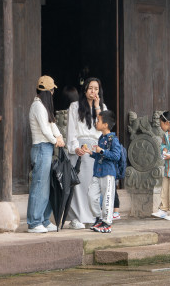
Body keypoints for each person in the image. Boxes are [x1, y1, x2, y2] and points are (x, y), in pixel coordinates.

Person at [65, 77, 107, 229]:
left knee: (93, 185)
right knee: (77, 185)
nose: (93, 91)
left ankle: (93, 216)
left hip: (95, 149)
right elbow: (71, 130)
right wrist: (75, 147)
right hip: (80, 148)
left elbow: (103, 129)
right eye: (90, 88)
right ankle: (76, 218)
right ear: (85, 89)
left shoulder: (103, 107)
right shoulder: (75, 106)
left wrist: (97, 106)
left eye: (96, 89)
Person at [26, 75, 66, 233]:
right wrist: (56, 140)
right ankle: (34, 222)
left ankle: (44, 219)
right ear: (49, 92)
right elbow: (44, 129)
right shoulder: (37, 106)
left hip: (47, 147)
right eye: (52, 90)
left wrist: (59, 136)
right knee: (39, 186)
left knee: (47, 186)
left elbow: (52, 124)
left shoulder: (43, 105)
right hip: (42, 147)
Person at [88, 110, 122, 233]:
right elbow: (99, 156)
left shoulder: (113, 139)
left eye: (98, 120)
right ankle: (99, 218)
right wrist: (92, 153)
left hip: (108, 173)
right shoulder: (101, 138)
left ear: (105, 124)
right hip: (98, 172)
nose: (96, 123)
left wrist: (101, 151)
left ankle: (107, 224)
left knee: (108, 198)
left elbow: (116, 156)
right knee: (91, 196)